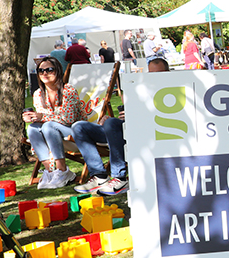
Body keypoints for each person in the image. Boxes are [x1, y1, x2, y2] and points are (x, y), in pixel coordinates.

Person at [72, 59, 170, 196]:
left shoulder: (170, 93)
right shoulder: (142, 87)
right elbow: (126, 100)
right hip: (123, 129)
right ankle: (99, 176)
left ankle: (120, 178)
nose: (153, 76)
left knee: (111, 124)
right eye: (150, 73)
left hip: (143, 132)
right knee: (79, 127)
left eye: (158, 73)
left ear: (167, 72)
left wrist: (136, 114)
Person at [23, 57, 86, 189]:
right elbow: (42, 120)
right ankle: (51, 172)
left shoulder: (68, 90)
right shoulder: (38, 94)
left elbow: (69, 119)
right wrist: (32, 118)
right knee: (33, 128)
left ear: (57, 71)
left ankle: (62, 170)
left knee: (48, 125)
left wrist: (42, 116)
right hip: (52, 133)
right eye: (41, 71)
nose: (44, 74)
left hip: (75, 132)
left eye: (49, 70)